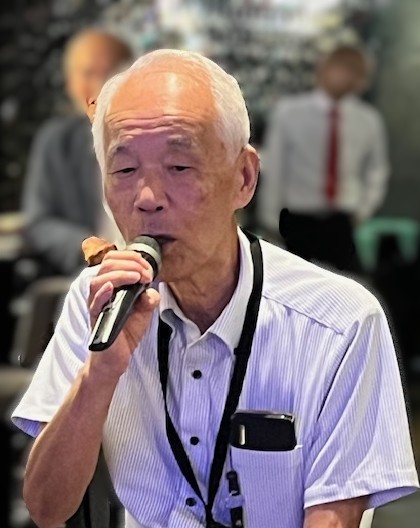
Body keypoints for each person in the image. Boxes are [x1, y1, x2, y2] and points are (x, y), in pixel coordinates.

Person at [11, 49, 418, 528]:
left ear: (243, 178)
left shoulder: (340, 320)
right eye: (124, 171)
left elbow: (333, 517)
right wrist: (100, 373)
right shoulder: (99, 301)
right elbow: (47, 507)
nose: (147, 199)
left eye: (179, 167)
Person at [257, 45, 390, 272]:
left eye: (353, 71)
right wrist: (269, 219)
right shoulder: (290, 112)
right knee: (292, 283)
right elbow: (276, 166)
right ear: (323, 69)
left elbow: (377, 170)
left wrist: (364, 210)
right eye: (340, 68)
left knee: (343, 286)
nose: (344, 76)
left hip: (340, 221)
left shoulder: (368, 120)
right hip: (296, 219)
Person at [21, 27, 132, 277]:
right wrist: (88, 247)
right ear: (70, 82)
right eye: (88, 73)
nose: (100, 84)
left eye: (111, 72)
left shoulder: (156, 135)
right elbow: (39, 222)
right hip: (84, 273)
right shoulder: (56, 141)